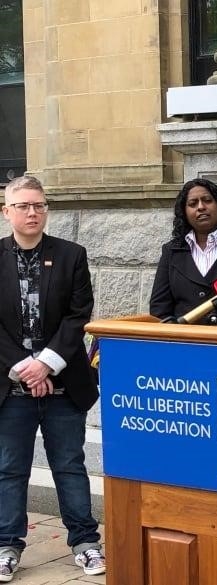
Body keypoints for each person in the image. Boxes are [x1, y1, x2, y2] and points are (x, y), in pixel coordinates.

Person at [0, 176, 106, 581]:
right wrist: (25, 369)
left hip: (63, 384)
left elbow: (78, 315)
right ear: (7, 211)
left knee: (69, 464)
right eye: (24, 205)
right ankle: (7, 545)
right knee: (10, 469)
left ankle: (85, 542)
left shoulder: (71, 254)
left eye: (40, 205)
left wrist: (45, 363)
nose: (33, 212)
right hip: (10, 387)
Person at [149, 178, 217, 326]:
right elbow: (159, 307)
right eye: (192, 204)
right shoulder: (171, 251)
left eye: (207, 200)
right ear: (184, 212)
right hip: (182, 343)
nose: (201, 207)